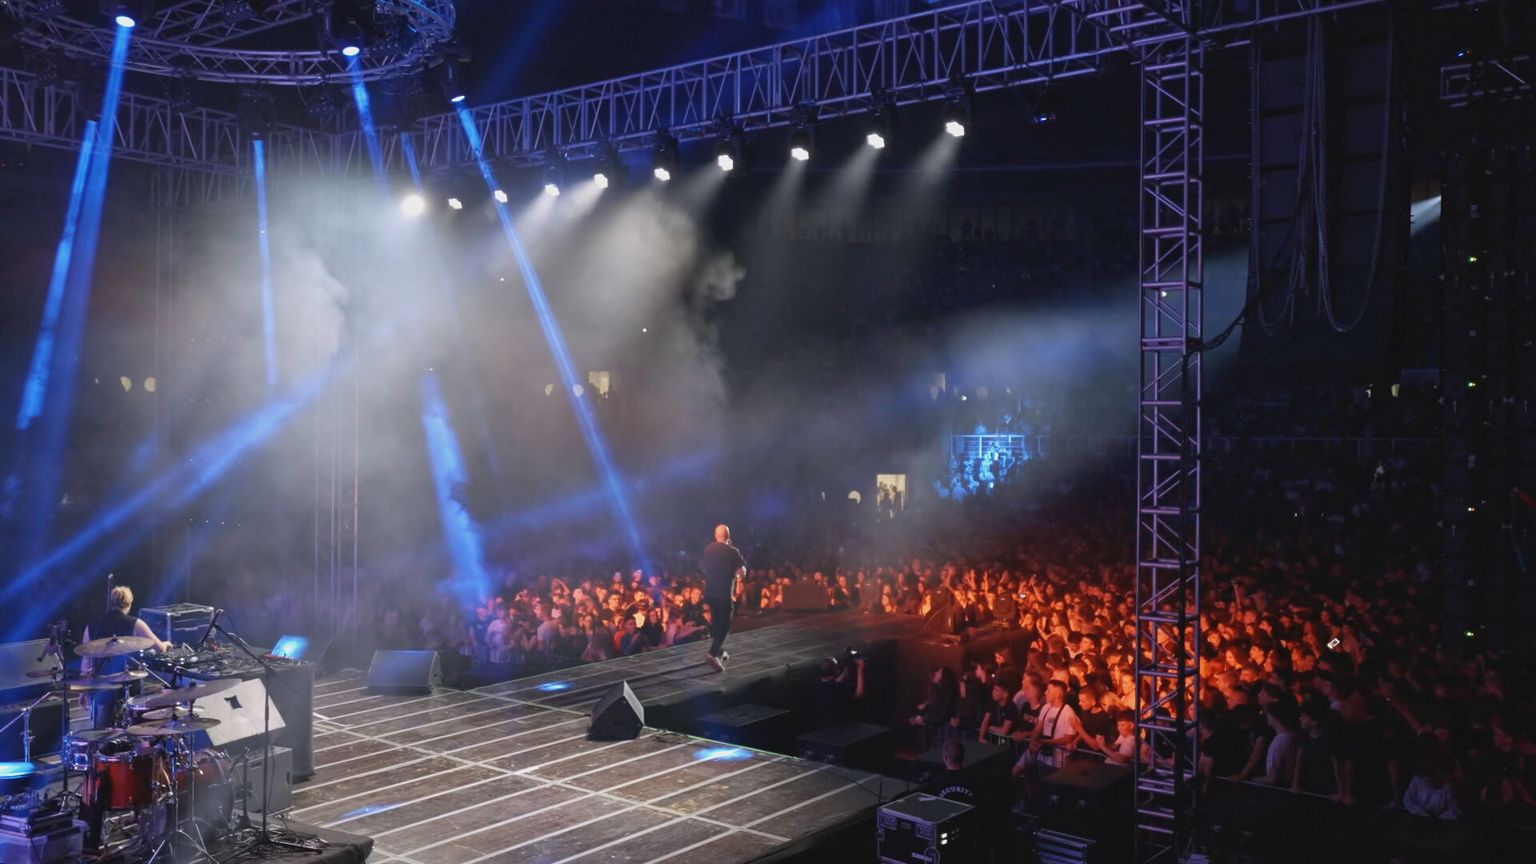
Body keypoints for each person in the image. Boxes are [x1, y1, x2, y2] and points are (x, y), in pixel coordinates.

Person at [79, 585, 169, 729]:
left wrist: (83, 691)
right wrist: (167, 644)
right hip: (129, 686)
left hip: (101, 687)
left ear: (110, 603)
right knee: (131, 728)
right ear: (129, 604)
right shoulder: (136, 623)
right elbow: (160, 648)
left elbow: (86, 660)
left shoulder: (92, 626)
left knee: (101, 731)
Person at [699, 523, 746, 672]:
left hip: (709, 593)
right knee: (725, 625)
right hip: (723, 594)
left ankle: (719, 651)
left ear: (715, 536)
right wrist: (737, 575)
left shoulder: (708, 549)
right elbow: (742, 571)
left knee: (717, 623)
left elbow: (703, 567)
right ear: (728, 537)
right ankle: (712, 654)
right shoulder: (732, 551)